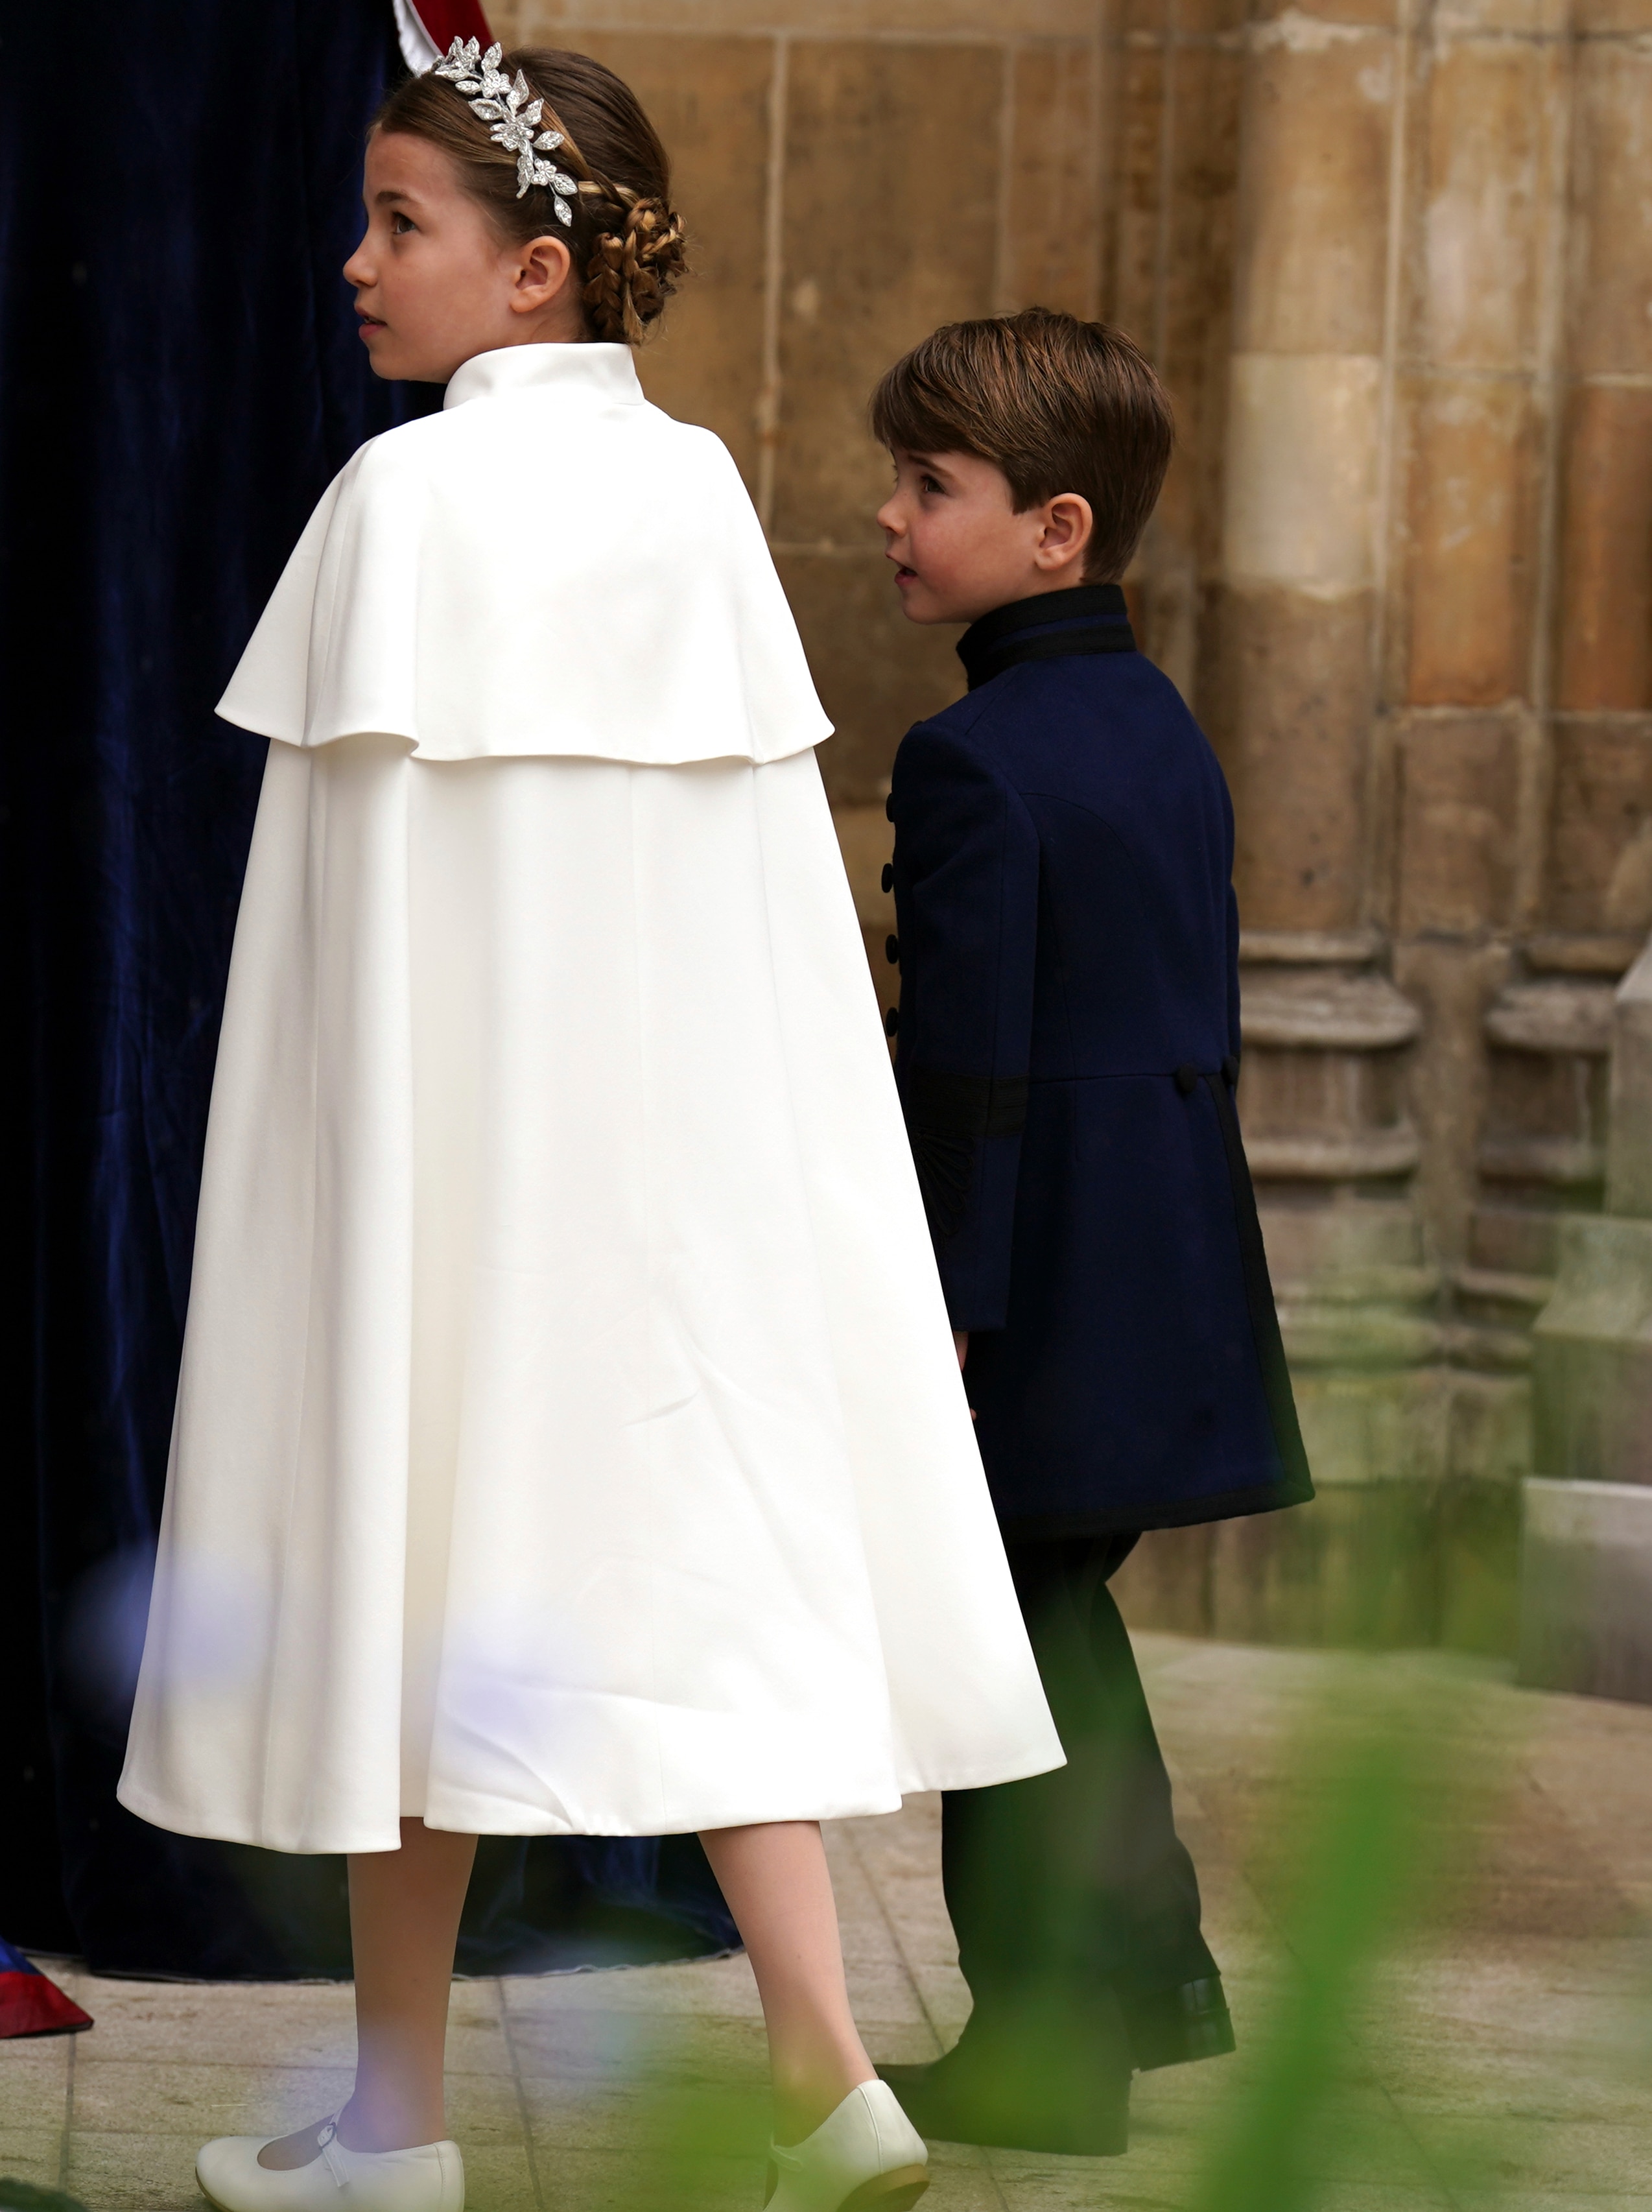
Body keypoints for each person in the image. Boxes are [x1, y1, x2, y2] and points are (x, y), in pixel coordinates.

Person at [117, 48, 1061, 2212]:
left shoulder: (402, 506)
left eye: (400, 225)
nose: (356, 265)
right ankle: (829, 2079)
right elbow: (766, 930)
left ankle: (393, 2127)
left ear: (536, 273)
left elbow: (332, 943)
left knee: (410, 1574)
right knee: (697, 1584)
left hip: (454, 1180)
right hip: (668, 1201)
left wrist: (331, 1212)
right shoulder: (698, 493)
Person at [867, 309, 1314, 2158]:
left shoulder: (973, 754)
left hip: (1026, 1297)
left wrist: (939, 1310)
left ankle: (1056, 2037)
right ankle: (1116, 2004)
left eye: (927, 485)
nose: (886, 515)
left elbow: (967, 1071)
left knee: (1003, 1649)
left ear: (1056, 528)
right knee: (1045, 1632)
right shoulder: (1158, 725)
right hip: (1159, 1282)